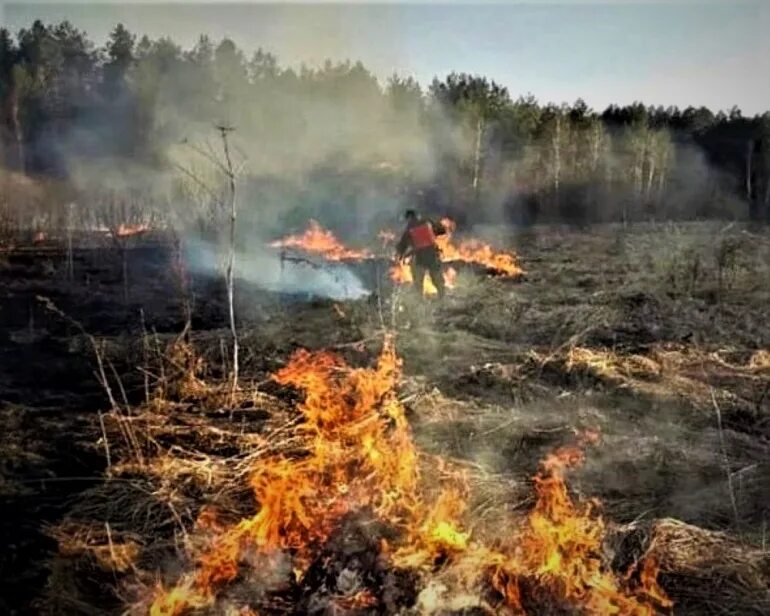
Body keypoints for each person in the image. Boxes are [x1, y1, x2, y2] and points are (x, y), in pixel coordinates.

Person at [395, 209, 447, 298]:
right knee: (436, 278)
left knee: (418, 279)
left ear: (408, 219)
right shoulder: (427, 222)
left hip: (420, 257)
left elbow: (402, 246)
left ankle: (419, 299)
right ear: (416, 216)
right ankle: (442, 297)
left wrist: (399, 253)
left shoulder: (408, 229)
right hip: (432, 254)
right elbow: (442, 231)